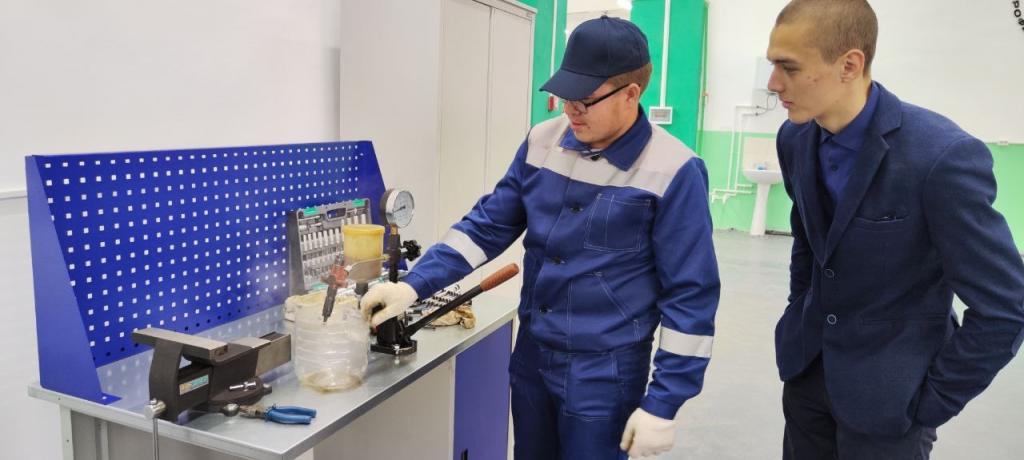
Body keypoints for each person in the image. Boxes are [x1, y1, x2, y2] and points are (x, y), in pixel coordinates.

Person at [360, 15, 720, 460]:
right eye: (565, 96)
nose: (570, 110)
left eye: (585, 100)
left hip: (604, 372)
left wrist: (664, 403)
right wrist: (414, 285)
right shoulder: (542, 142)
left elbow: (691, 294)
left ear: (631, 94)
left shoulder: (674, 170)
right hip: (533, 353)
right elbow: (487, 225)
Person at [766, 1, 1024, 458]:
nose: (773, 84)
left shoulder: (940, 157)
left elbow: (1006, 305)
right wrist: (797, 319)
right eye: (773, 65)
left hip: (891, 401)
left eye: (789, 68)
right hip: (807, 379)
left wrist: (932, 401)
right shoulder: (795, 138)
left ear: (849, 65)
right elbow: (808, 242)